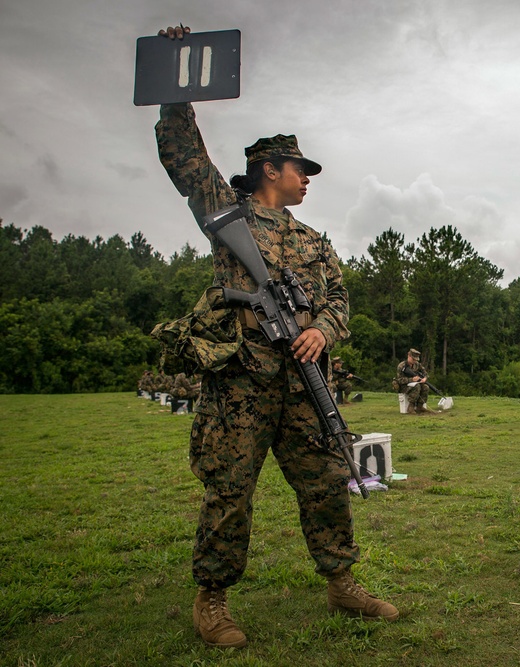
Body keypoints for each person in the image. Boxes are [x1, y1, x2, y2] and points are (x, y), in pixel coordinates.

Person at [154, 25, 397, 649]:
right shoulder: (227, 213)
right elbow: (186, 163)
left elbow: (340, 299)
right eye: (299, 168)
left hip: (301, 384)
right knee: (230, 492)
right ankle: (212, 598)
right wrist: (176, 91)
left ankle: (341, 580)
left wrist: (321, 328)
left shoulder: (314, 242)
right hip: (241, 382)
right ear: (269, 169)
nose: (307, 177)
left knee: (324, 482)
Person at [395, 348, 430, 414]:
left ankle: (420, 406)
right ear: (409, 355)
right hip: (404, 386)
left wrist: (424, 378)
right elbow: (399, 380)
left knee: (426, 387)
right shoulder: (401, 366)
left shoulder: (417, 364)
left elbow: (425, 372)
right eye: (413, 359)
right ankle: (410, 407)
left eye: (416, 359)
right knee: (417, 386)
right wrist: (411, 380)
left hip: (415, 384)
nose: (414, 361)